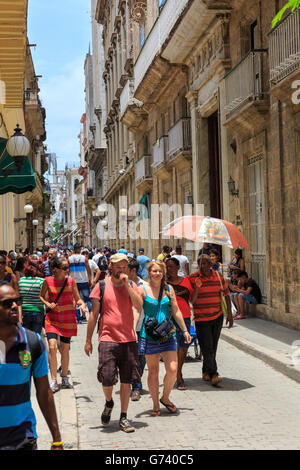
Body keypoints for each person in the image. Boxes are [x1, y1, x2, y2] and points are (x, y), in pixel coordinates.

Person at [0, 281, 63, 450]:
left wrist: (57, 439)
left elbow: (44, 392)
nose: (14, 306)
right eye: (7, 303)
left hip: (23, 438)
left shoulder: (33, 342)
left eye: (17, 301)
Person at [85, 253, 143, 433]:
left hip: (128, 339)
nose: (121, 270)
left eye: (125, 267)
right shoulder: (101, 286)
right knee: (108, 378)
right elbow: (94, 314)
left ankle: (124, 417)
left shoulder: (132, 285)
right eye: (118, 266)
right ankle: (109, 402)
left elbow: (139, 306)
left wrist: (127, 284)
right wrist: (88, 340)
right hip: (107, 338)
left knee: (126, 380)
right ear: (111, 266)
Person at [137, 261, 191, 416]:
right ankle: (155, 404)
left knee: (173, 369)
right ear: (149, 272)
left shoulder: (168, 289)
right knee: (153, 371)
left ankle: (165, 398)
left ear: (163, 273)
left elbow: (176, 310)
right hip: (149, 335)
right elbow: (136, 311)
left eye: (160, 271)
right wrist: (131, 329)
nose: (157, 274)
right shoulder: (143, 289)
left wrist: (185, 330)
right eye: (154, 271)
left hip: (168, 333)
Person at [40, 256, 88, 393]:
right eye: (65, 267)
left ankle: (65, 376)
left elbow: (78, 299)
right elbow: (42, 296)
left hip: (67, 319)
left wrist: (83, 305)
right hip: (52, 319)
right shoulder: (48, 281)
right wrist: (48, 304)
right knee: (52, 346)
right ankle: (53, 379)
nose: (68, 270)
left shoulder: (71, 281)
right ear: (55, 269)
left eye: (68, 267)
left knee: (65, 349)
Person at [189, 254, 233, 386]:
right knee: (206, 346)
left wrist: (229, 315)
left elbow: (226, 296)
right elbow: (192, 300)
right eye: (200, 264)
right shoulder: (193, 278)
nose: (203, 266)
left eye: (205, 264)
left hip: (217, 316)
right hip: (201, 318)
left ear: (210, 264)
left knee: (212, 346)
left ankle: (205, 371)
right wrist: (196, 287)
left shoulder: (218, 277)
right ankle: (214, 374)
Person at [166, 257, 196, 391]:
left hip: (185, 317)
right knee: (172, 347)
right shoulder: (163, 283)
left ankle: (178, 371)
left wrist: (198, 288)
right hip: (169, 318)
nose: (169, 269)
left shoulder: (186, 282)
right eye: (168, 267)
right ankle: (177, 375)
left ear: (178, 267)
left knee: (183, 347)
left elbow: (192, 300)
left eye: (172, 266)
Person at [128, 258, 146, 401]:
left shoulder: (144, 286)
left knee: (141, 358)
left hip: (142, 328)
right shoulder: (120, 285)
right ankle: (136, 386)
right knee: (132, 358)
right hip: (126, 328)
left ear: (133, 271)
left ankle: (136, 383)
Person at [18, 258, 45, 334]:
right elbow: (45, 298)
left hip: (24, 312)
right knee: (36, 337)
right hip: (38, 311)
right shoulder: (41, 281)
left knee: (26, 337)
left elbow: (19, 299)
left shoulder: (21, 281)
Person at [68, 243, 91, 323]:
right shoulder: (84, 258)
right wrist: (90, 279)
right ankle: (89, 316)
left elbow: (67, 270)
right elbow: (88, 269)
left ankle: (77, 318)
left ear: (74, 249)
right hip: (84, 281)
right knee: (86, 299)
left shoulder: (69, 258)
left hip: (73, 282)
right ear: (80, 249)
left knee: (75, 299)